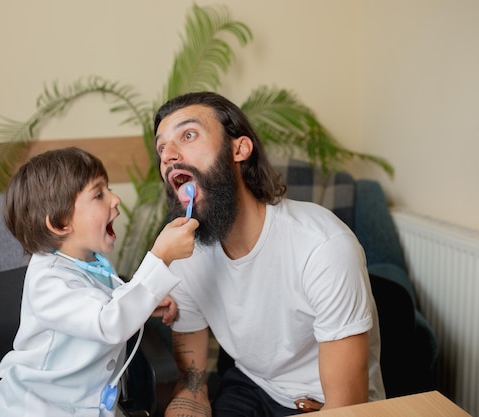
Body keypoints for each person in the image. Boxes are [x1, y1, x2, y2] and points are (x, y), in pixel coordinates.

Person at [153, 92, 386, 417]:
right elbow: (192, 388)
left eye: (188, 135)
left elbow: (346, 408)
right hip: (251, 386)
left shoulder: (321, 246)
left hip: (320, 403)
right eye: (161, 148)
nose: (169, 156)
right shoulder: (184, 255)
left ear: (239, 148)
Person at [0, 147, 199, 417]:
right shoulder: (48, 281)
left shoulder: (92, 262)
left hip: (92, 405)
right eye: (99, 194)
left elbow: (105, 302)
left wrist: (147, 304)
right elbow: (107, 322)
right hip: (37, 408)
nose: (115, 199)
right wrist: (159, 259)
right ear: (61, 223)